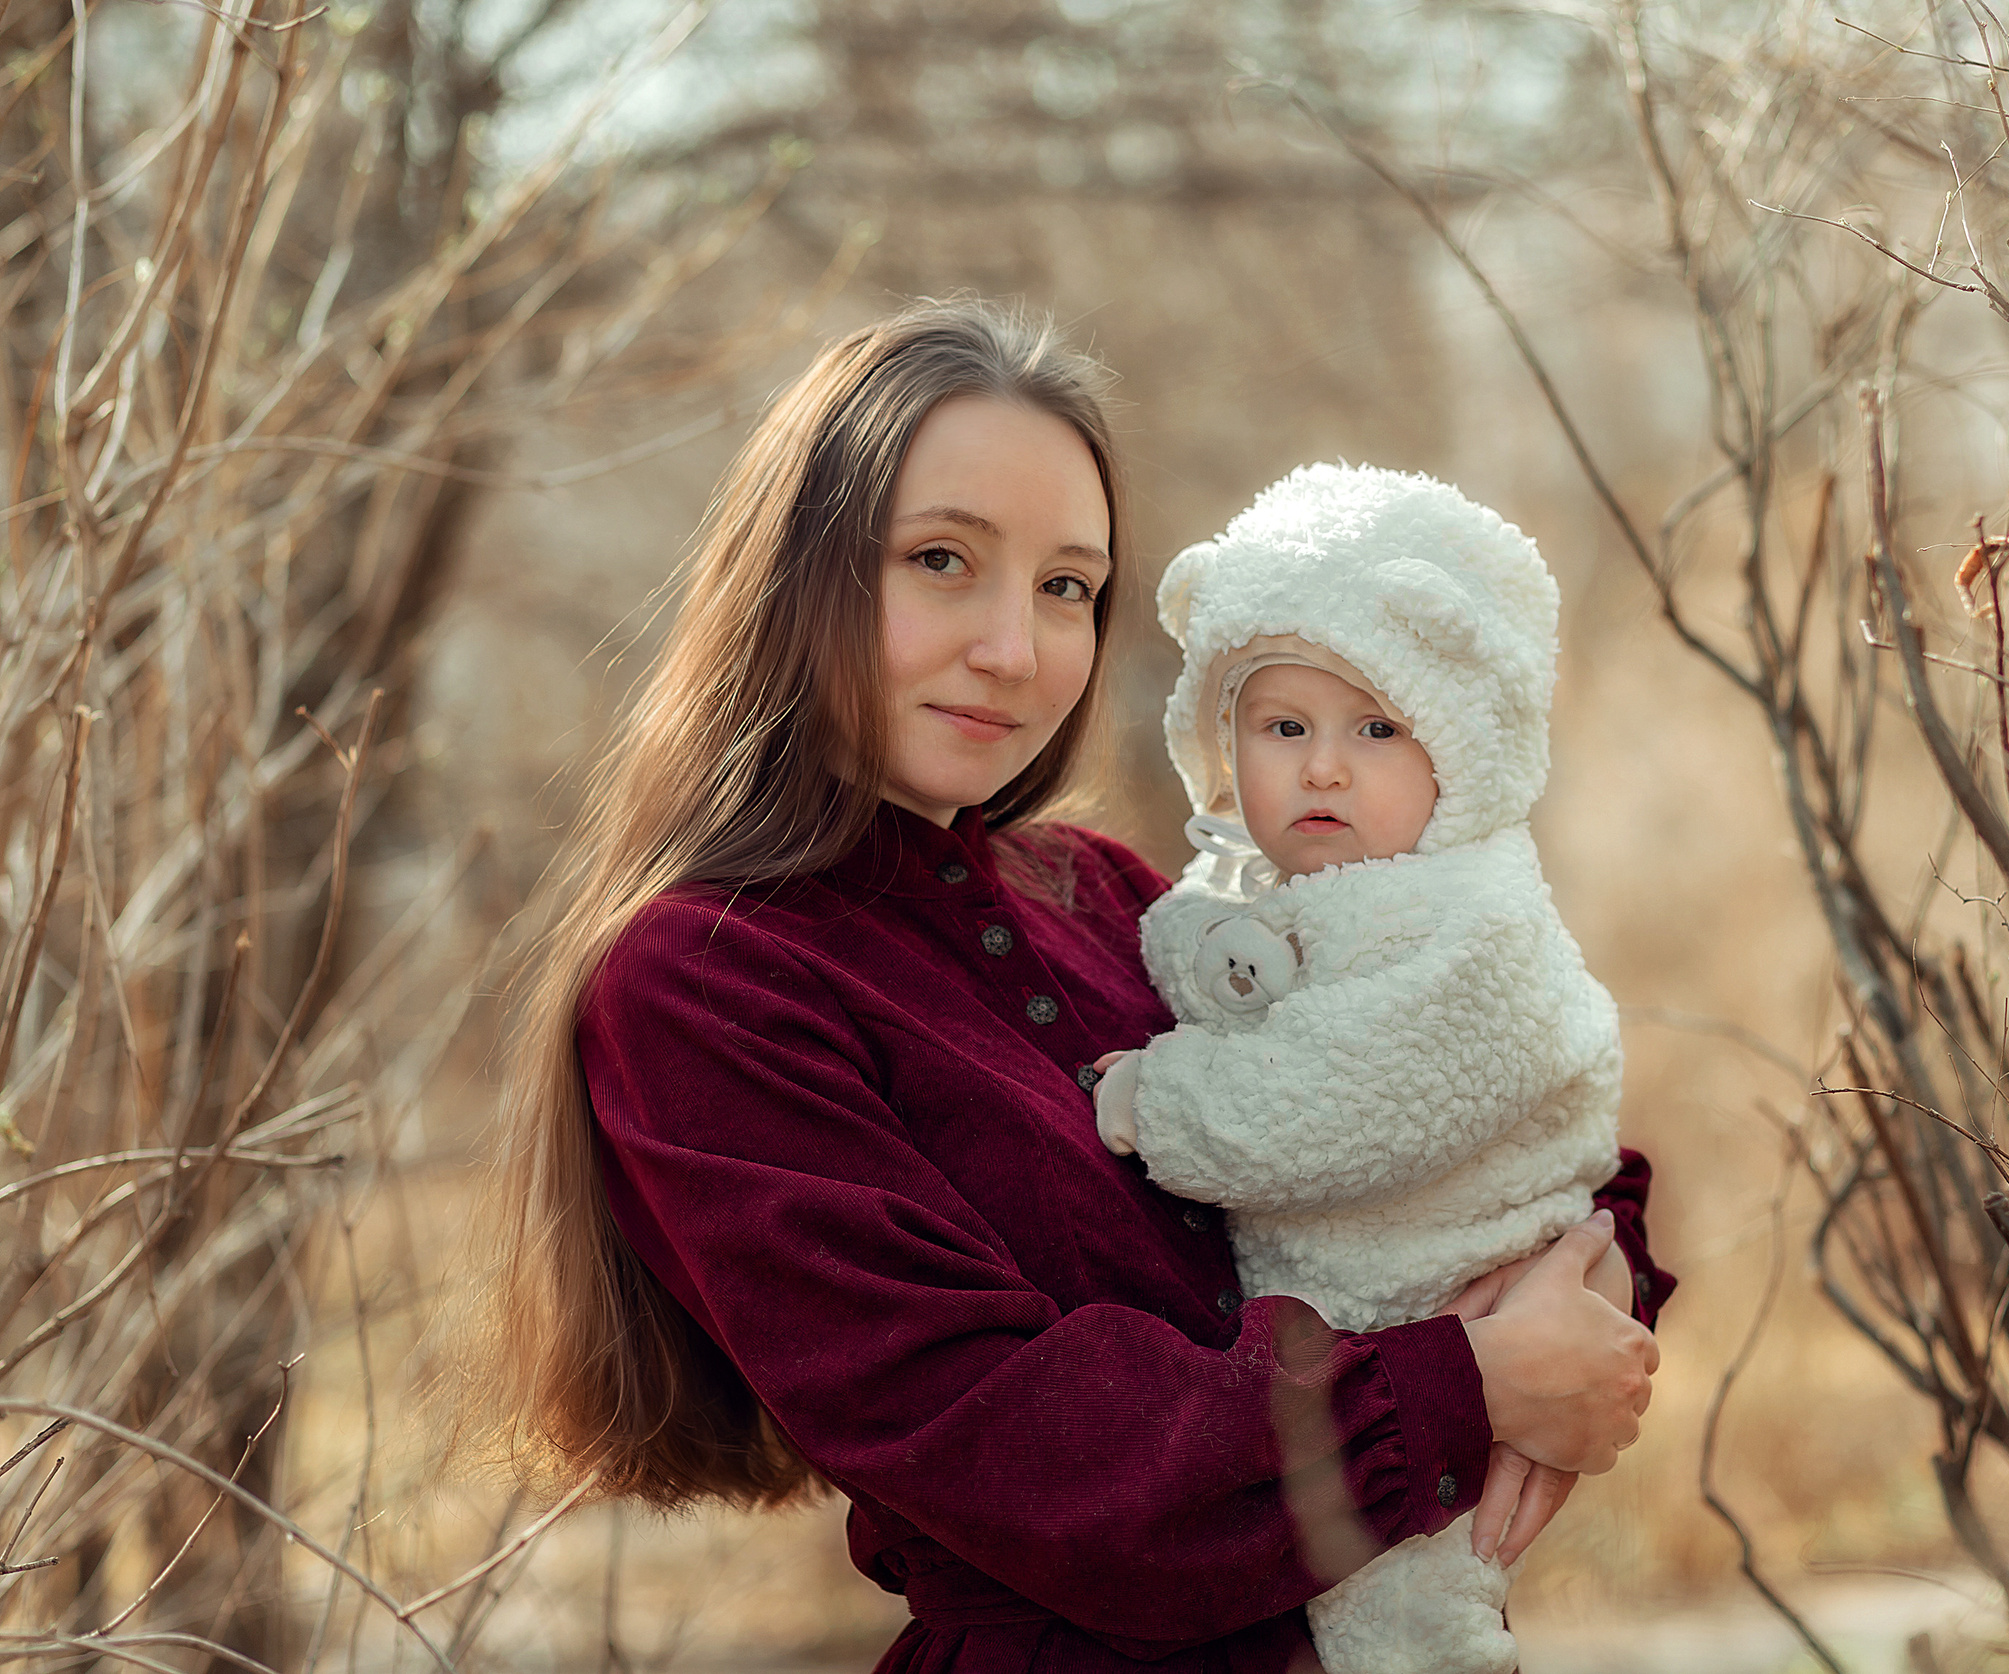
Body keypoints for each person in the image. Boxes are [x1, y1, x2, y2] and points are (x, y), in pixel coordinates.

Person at [475, 297, 1671, 1674]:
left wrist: (1594, 1291)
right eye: (941, 560)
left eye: (1065, 587)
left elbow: (1459, 1109)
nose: (1016, 649)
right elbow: (1038, 1454)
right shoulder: (705, 983)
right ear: (796, 579)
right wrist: (1480, 1386)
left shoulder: (1103, 893)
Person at [1088, 464, 1624, 1674]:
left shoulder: (1469, 918)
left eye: (1376, 727)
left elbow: (1339, 1101)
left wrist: (1158, 1099)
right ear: (1221, 743)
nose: (1323, 767)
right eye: (1284, 726)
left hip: (1440, 1287)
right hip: (1366, 1358)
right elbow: (1217, 963)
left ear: (1462, 747)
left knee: (1411, 1611)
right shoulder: (1265, 890)